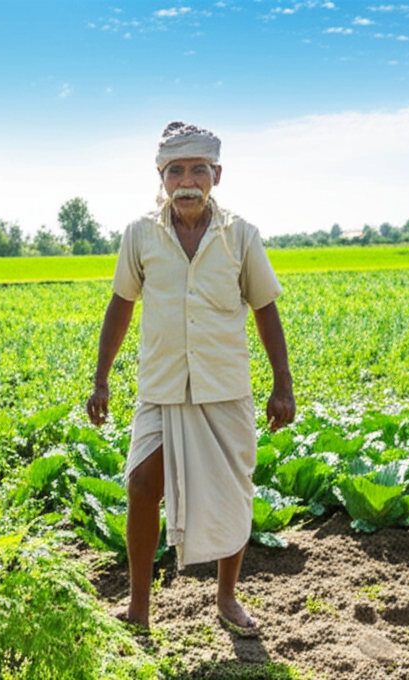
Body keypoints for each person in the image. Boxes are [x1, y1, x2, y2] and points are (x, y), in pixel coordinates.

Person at [86, 121, 295, 633]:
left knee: (232, 490)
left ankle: (227, 598)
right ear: (161, 177)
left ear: (216, 175)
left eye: (198, 169)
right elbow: (121, 305)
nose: (187, 180)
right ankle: (139, 607)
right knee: (139, 485)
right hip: (161, 387)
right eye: (175, 169)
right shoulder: (140, 234)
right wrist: (101, 378)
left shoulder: (241, 235)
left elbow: (265, 307)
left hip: (224, 387)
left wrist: (282, 383)